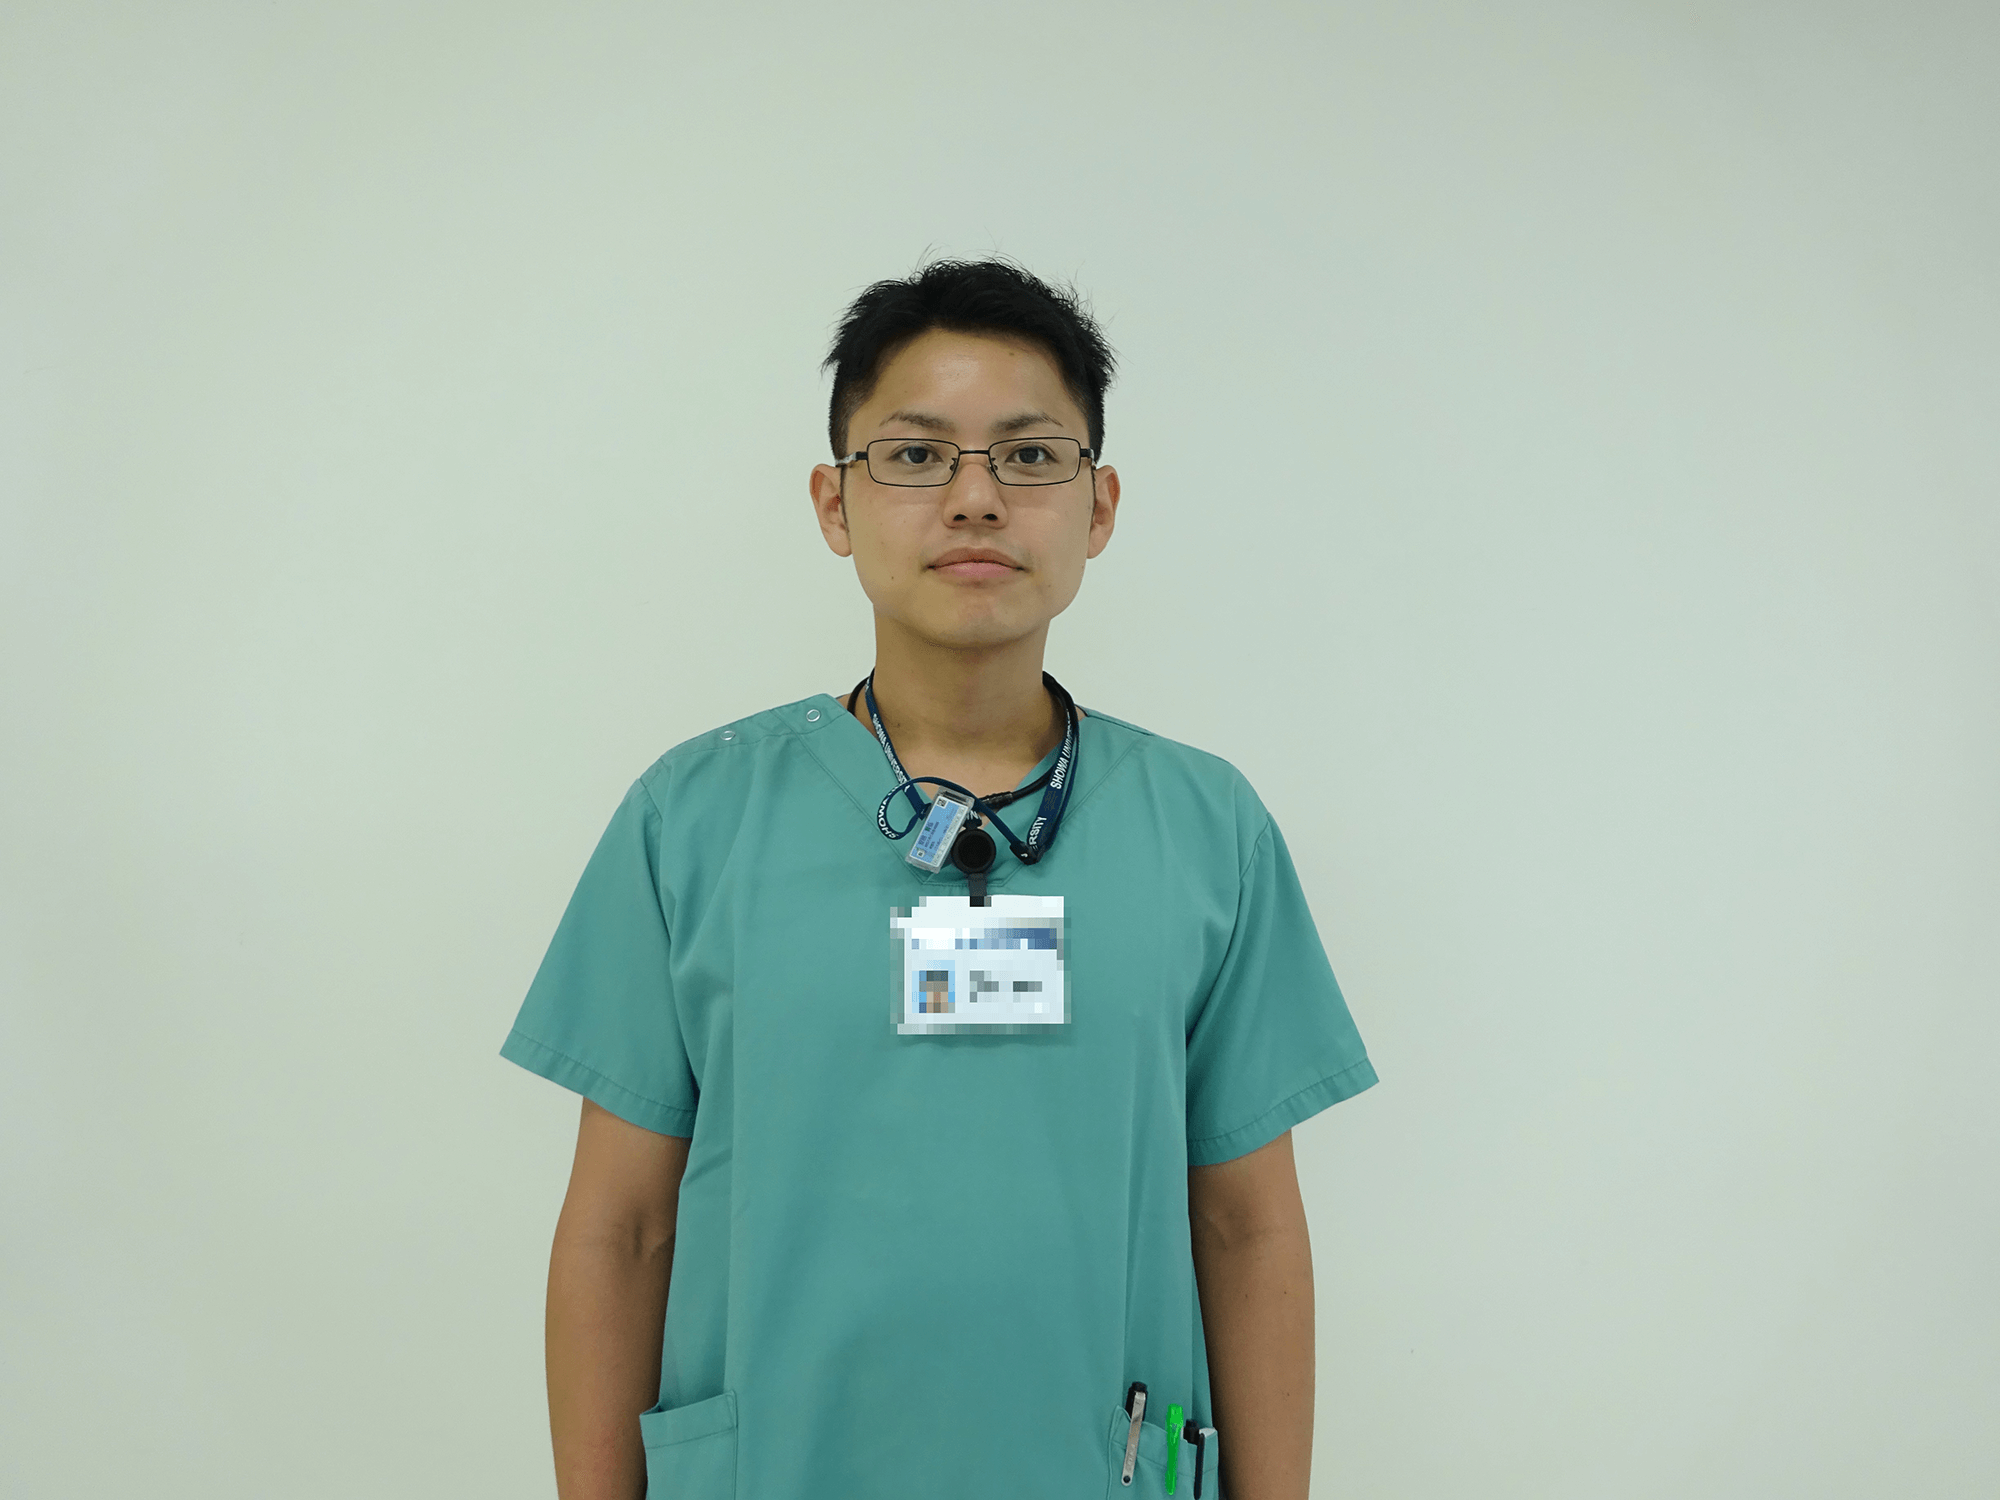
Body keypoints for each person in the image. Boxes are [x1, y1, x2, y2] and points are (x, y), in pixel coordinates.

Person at [499, 258, 1378, 1499]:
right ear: (833, 503)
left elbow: (1246, 1226)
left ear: (1099, 506)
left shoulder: (1202, 829)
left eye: (1028, 457)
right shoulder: (690, 821)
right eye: (915, 456)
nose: (975, 499)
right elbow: (621, 1229)